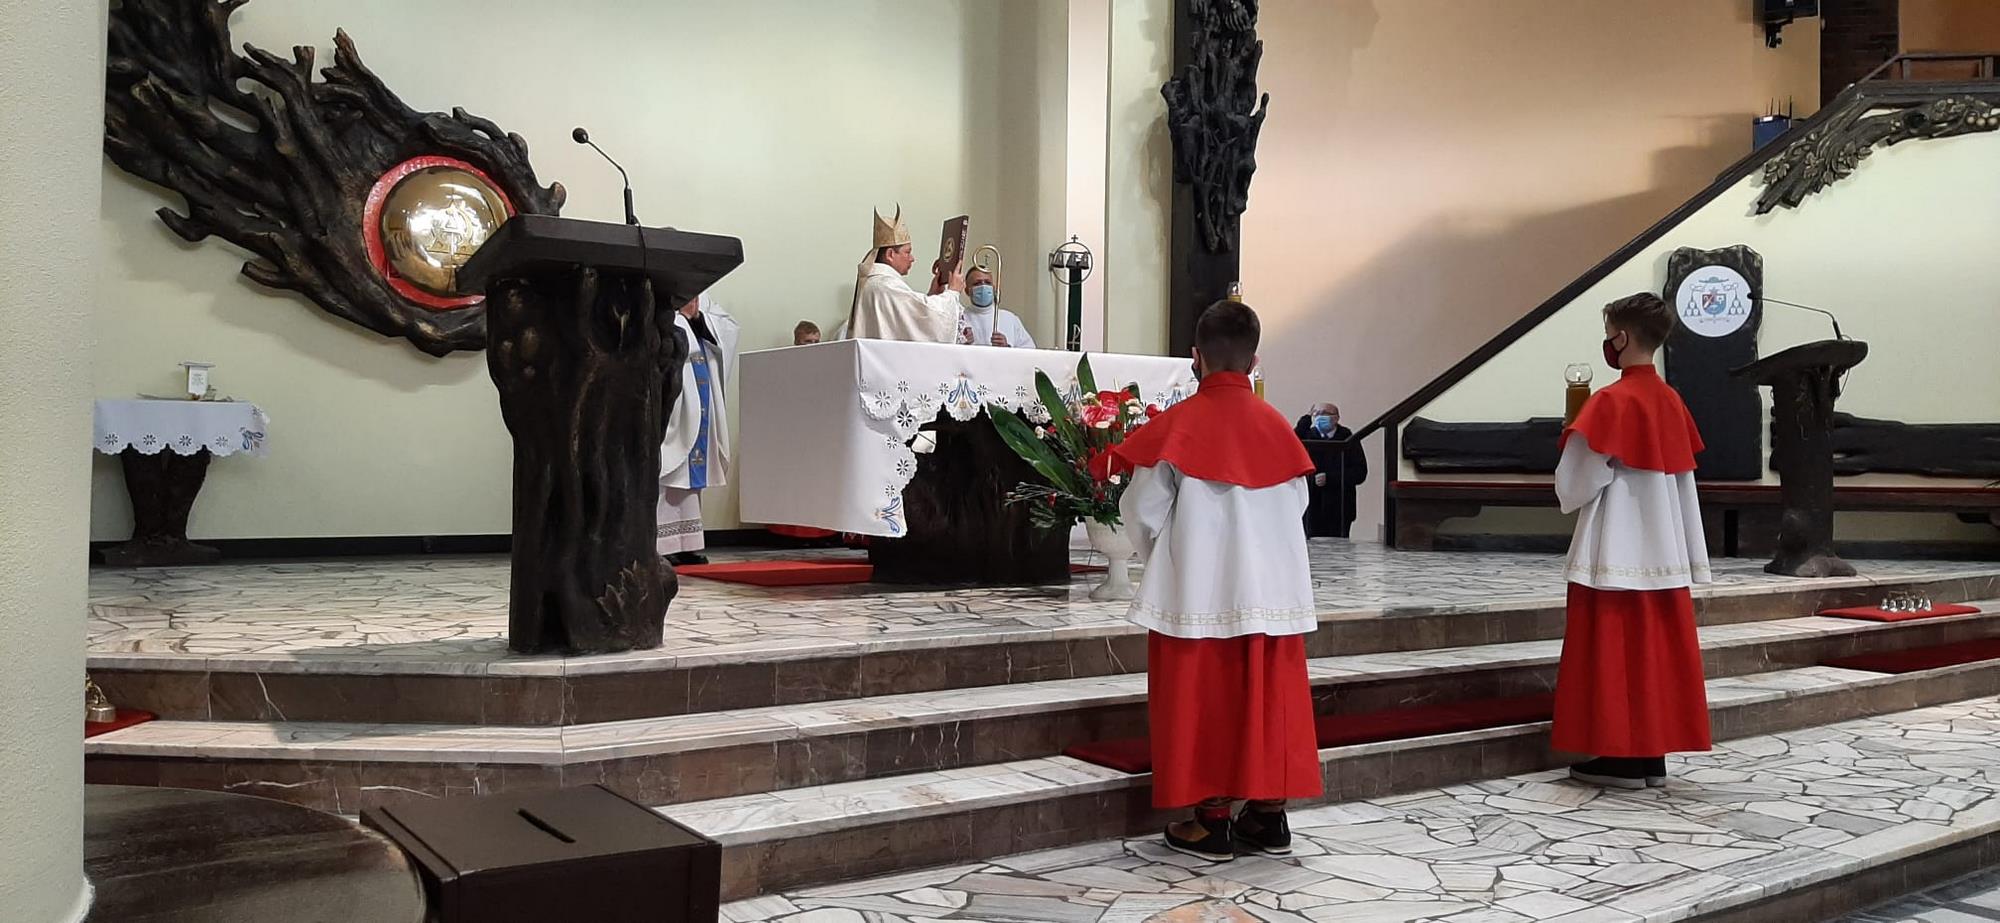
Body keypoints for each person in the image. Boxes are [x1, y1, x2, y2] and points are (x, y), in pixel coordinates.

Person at [1103, 299, 1321, 863]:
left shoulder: (1179, 428)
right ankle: (1268, 816)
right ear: (1254, 362)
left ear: (1195, 358)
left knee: (1204, 698)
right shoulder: (1279, 429)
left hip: (1199, 588)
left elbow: (1142, 513)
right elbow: (1297, 506)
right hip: (1272, 592)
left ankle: (1212, 821)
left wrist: (1170, 561)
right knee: (1268, 699)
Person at [1552, 291, 1712, 789]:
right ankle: (1649, 756)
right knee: (1655, 651)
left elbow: (1574, 485)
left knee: (1615, 649)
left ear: (1620, 338)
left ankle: (1621, 757)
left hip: (1616, 545)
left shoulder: (1610, 401)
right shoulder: (1671, 400)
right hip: (1665, 547)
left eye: (1609, 335)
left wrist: (1574, 433)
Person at [657, 292, 740, 567]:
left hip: (700, 389)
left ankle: (687, 543)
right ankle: (661, 544)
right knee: (667, 469)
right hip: (674, 396)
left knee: (691, 476)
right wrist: (679, 317)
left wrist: (697, 317)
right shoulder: (660, 287)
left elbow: (727, 327)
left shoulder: (705, 296)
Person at [846, 205, 965, 342]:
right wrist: (952, 292)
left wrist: (932, 294)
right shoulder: (885, 285)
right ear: (890, 254)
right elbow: (928, 322)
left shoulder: (875, 282)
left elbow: (904, 321)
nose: (912, 258)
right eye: (907, 252)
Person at [1293, 403, 1366, 538]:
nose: (1320, 416)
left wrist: (1331, 478)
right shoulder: (1308, 435)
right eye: (1317, 413)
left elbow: (1360, 472)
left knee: (1339, 545)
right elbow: (1291, 442)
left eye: (1325, 413)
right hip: (1311, 507)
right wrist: (1306, 419)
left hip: (1340, 507)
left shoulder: (1347, 437)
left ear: (1336, 418)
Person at [958, 265, 1035, 348]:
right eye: (977, 283)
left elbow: (1030, 350)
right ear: (967, 291)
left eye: (987, 282)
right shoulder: (960, 319)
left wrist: (1007, 347)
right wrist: (960, 343)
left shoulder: (1010, 319)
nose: (983, 286)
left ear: (994, 288)